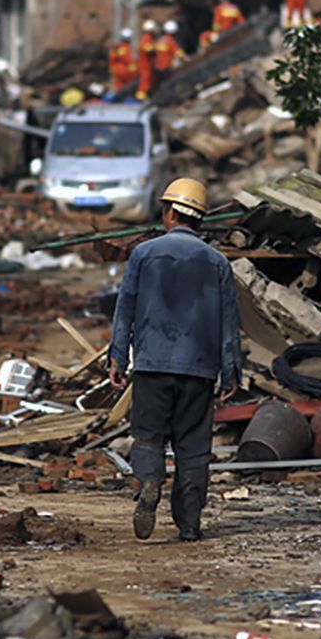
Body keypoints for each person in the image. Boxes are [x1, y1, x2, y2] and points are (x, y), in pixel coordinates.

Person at [107, 178, 242, 542]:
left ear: (169, 212)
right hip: (199, 369)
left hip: (152, 363)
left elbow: (125, 311)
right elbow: (229, 322)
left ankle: (150, 481)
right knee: (194, 447)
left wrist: (117, 356)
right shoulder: (218, 263)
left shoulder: (143, 254)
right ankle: (190, 524)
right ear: (200, 220)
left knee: (148, 436)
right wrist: (231, 370)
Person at [107, 28, 139, 94]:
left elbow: (112, 58)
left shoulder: (117, 47)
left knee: (118, 84)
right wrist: (133, 67)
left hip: (117, 68)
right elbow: (128, 59)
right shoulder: (126, 48)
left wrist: (112, 67)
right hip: (125, 69)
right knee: (126, 84)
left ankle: (117, 95)